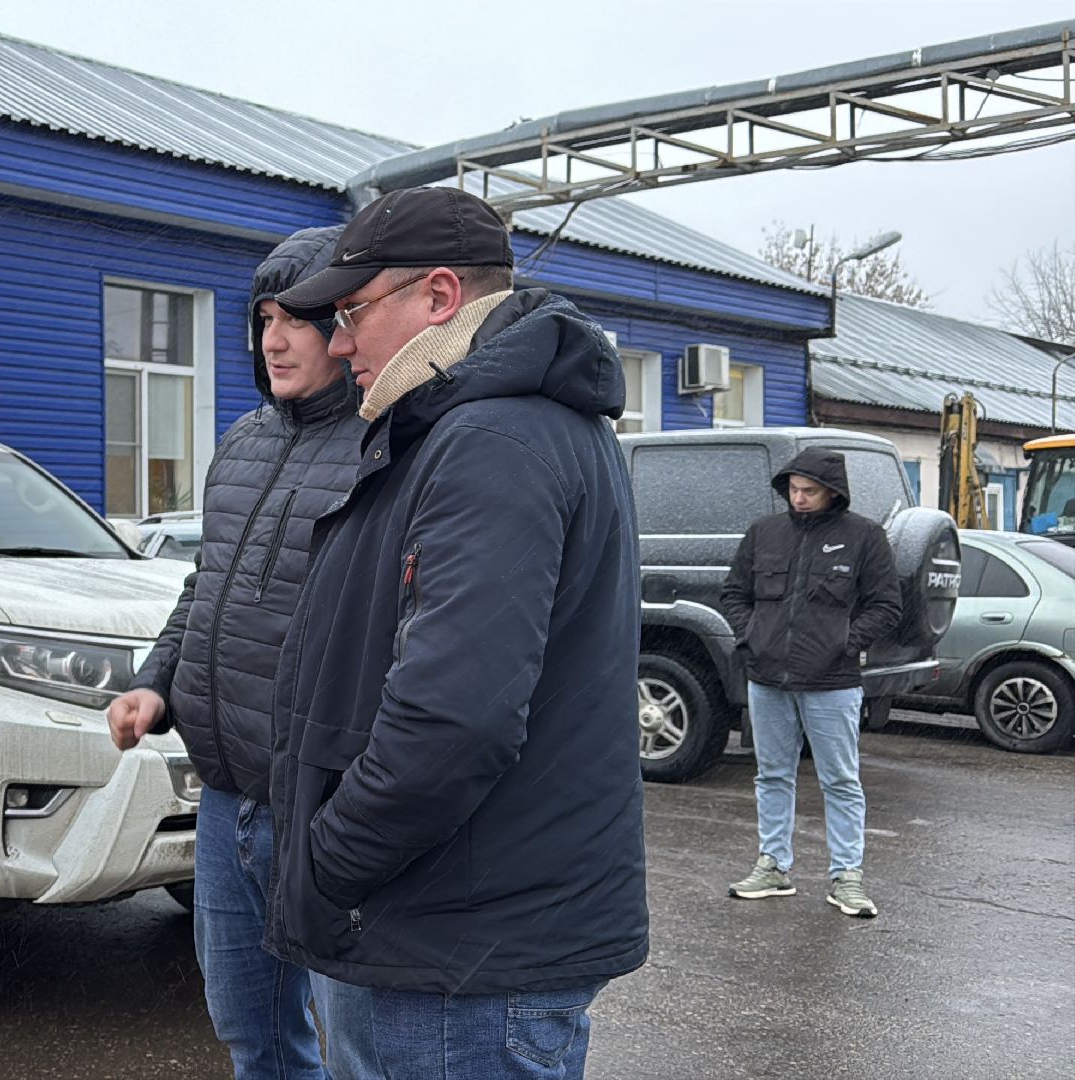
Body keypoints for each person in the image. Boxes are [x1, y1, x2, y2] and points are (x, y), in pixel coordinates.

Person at [264, 187, 649, 1080]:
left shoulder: (493, 441)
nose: (339, 341)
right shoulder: (469, 430)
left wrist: (326, 867)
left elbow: (453, 723)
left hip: (455, 959)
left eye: (353, 312)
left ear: (440, 297)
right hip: (453, 936)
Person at [107, 225, 366, 1079]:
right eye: (263, 319)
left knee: (355, 1040)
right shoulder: (244, 442)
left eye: (299, 318)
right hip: (225, 798)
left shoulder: (383, 446)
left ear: (346, 325)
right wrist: (156, 685)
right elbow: (206, 588)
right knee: (250, 1032)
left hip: (320, 802)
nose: (275, 338)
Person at [720, 449, 900, 918]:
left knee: (840, 779)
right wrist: (751, 636)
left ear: (832, 492)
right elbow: (734, 594)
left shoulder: (864, 536)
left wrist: (844, 642)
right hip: (767, 678)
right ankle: (774, 866)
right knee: (772, 774)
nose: (799, 499)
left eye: (810, 491)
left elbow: (886, 607)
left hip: (833, 683)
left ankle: (847, 877)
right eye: (794, 490)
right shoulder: (764, 533)